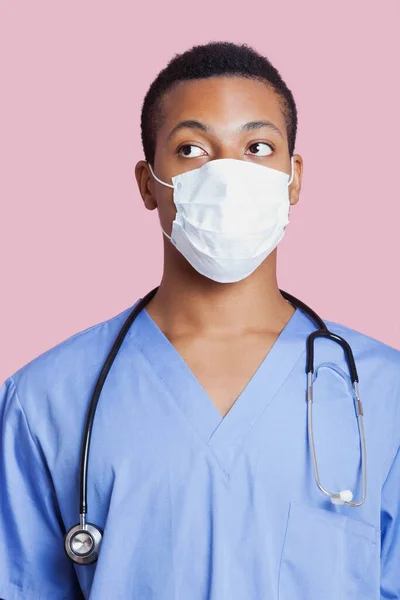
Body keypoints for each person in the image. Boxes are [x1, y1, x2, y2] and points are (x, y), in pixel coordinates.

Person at [0, 40, 399, 600]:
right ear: (147, 182)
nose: (229, 175)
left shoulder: (384, 393)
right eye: (191, 150)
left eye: (257, 146)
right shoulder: (46, 399)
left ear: (294, 177)